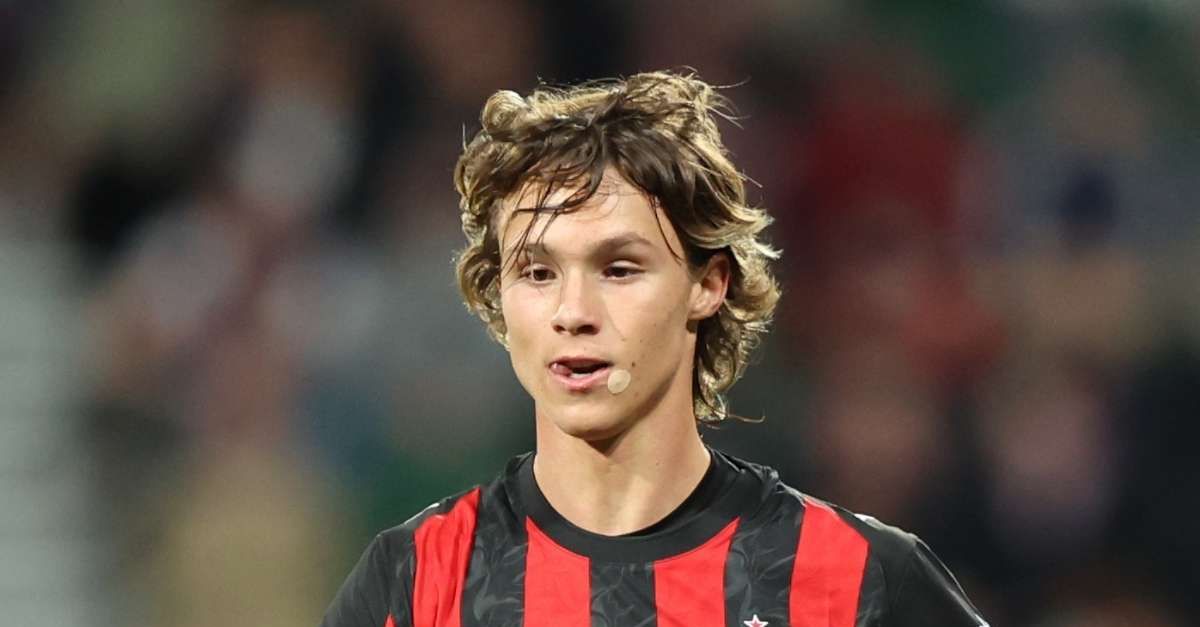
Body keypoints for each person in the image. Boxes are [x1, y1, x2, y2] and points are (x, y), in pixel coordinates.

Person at [320, 70, 988, 627]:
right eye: (537, 272)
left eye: (618, 269)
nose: (573, 313)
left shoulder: (860, 579)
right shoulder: (415, 580)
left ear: (708, 284)